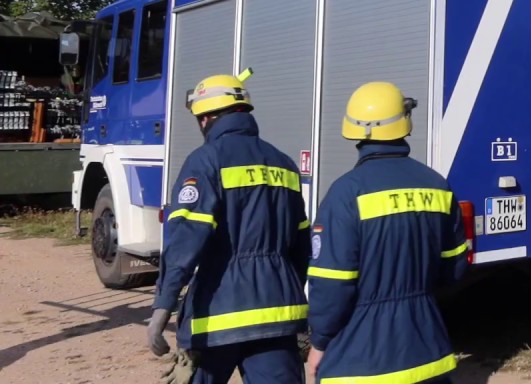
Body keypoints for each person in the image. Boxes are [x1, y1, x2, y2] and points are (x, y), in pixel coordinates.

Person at [146, 72, 310, 384]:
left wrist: (163, 306)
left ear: (206, 118)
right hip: (278, 317)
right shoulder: (284, 164)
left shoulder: (206, 161)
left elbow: (185, 242)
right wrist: (284, 289)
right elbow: (302, 247)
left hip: (216, 318)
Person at [305, 81, 469, 384]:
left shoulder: (345, 194)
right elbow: (454, 270)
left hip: (360, 364)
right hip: (428, 354)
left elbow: (332, 285)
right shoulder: (437, 185)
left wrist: (319, 343)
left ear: (354, 129)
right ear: (405, 122)